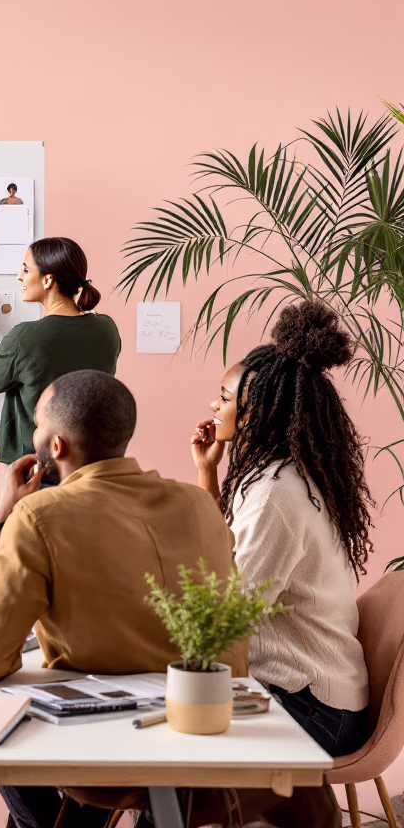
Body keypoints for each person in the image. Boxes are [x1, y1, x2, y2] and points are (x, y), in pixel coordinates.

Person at [0, 369, 337, 828]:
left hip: (113, 754)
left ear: (56, 446)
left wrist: (0, 522)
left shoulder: (37, 516)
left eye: (38, 424)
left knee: (5, 737)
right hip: (215, 746)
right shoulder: (197, 504)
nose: (34, 433)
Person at [190, 300, 373, 758]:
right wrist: (207, 474)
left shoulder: (276, 493)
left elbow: (230, 615)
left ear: (260, 410)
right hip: (312, 693)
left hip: (314, 708)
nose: (214, 404)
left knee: (169, 730)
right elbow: (228, 558)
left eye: (226, 397)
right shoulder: (279, 476)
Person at [0, 237, 120, 464]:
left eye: (25, 269)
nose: (19, 276)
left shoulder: (26, 337)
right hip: (90, 464)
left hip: (36, 468)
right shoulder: (107, 328)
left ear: (48, 280)